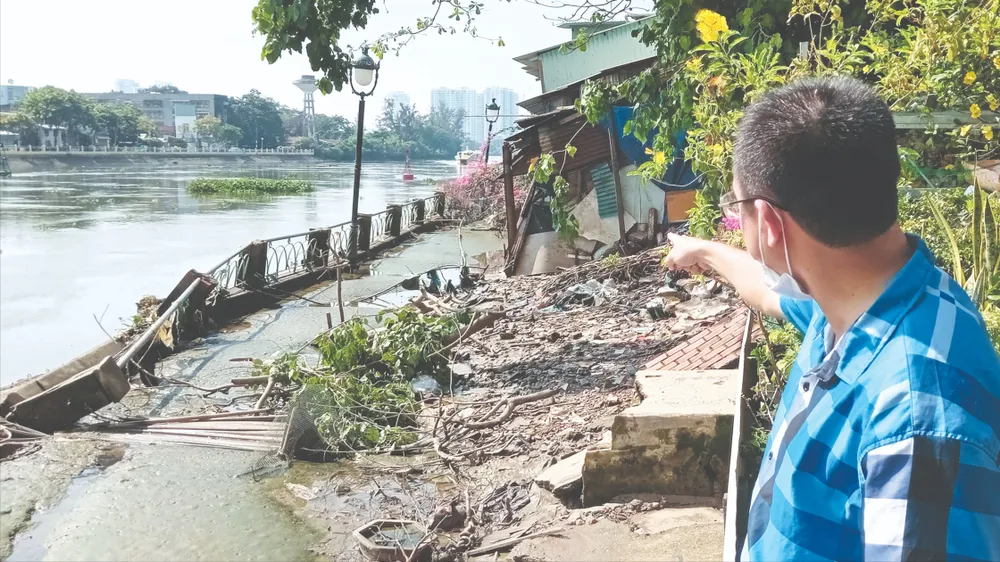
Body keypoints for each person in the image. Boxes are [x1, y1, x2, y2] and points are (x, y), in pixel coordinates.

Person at [665, 76, 1000, 561]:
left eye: (738, 210)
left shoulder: (915, 418)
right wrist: (701, 250)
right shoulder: (869, 303)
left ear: (772, 225)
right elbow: (765, 290)